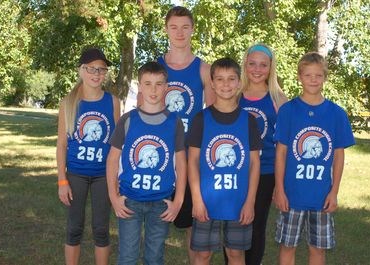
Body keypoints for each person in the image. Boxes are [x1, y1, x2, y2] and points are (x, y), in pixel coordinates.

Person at [273, 52, 355, 265]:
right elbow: (281, 153)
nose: (313, 80)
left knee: (317, 249)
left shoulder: (336, 114)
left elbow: (338, 155)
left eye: (318, 75)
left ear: (325, 78)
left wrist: (334, 191)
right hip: (291, 195)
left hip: (321, 196)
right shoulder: (288, 111)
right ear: (300, 76)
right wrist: (279, 189)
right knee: (287, 246)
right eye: (308, 75)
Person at [106, 62, 187, 265]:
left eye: (159, 84)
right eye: (148, 83)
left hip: (161, 202)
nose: (153, 89)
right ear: (139, 86)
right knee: (127, 256)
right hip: (130, 200)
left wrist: (178, 202)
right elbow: (112, 160)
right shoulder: (127, 120)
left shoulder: (174, 123)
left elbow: (182, 164)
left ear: (166, 87)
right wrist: (113, 197)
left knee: (154, 256)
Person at [156, 5, 216, 263]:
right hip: (160, 156)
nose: (179, 32)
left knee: (194, 230)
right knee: (156, 226)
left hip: (192, 157)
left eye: (184, 27)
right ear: (166, 30)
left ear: (192, 30)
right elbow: (143, 113)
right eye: (173, 27)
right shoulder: (155, 67)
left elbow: (213, 117)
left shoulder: (204, 69)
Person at [188, 57, 261, 265]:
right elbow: (192, 161)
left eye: (231, 79)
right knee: (203, 254)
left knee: (236, 254)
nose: (226, 84)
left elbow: (254, 164)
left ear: (239, 82)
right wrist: (197, 200)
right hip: (207, 200)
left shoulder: (248, 121)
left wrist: (250, 201)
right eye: (220, 79)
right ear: (211, 83)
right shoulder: (201, 119)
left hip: (238, 201)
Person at [56, 47, 120, 265]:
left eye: (101, 70)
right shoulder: (68, 103)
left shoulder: (113, 102)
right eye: (91, 69)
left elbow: (117, 144)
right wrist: (62, 180)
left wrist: (117, 177)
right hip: (76, 175)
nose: (96, 74)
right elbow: (62, 145)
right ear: (81, 70)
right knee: (74, 227)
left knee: (101, 229)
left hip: (104, 175)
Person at [238, 43, 288, 265]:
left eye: (263, 65)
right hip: (235, 172)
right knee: (235, 224)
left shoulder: (279, 100)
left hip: (266, 172)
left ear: (271, 68)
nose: (257, 69)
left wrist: (279, 184)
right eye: (252, 64)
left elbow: (284, 149)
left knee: (256, 226)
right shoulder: (234, 94)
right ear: (245, 65)